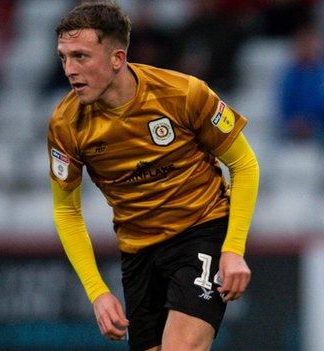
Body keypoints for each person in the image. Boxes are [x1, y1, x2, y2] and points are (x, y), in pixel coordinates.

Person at [48, 2, 259, 350]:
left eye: (81, 57)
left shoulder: (183, 94)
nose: (70, 70)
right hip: (138, 255)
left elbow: (245, 165)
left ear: (117, 58)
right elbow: (67, 211)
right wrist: (98, 293)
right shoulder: (66, 125)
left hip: (199, 231)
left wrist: (233, 249)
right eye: (63, 57)